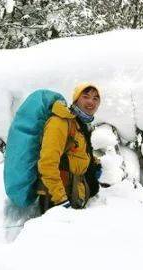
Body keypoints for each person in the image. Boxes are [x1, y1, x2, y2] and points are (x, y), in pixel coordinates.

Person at [36, 83, 103, 213]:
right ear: (76, 99)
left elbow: (76, 151)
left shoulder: (79, 124)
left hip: (74, 192)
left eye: (96, 98)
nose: (91, 101)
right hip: (56, 200)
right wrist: (61, 200)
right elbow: (47, 164)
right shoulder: (59, 122)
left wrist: (93, 163)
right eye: (86, 96)